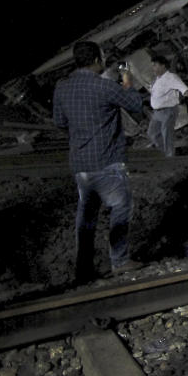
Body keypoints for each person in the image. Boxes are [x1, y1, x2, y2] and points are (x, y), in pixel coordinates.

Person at [53, 41, 145, 282]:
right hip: (108, 160)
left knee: (87, 217)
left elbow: (60, 122)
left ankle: (83, 269)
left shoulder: (62, 88)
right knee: (120, 209)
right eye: (102, 57)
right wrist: (127, 79)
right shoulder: (104, 87)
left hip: (80, 165)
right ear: (96, 59)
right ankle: (120, 261)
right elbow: (136, 104)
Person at [147, 54, 188, 157]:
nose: (153, 68)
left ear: (163, 66)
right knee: (152, 134)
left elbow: (182, 88)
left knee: (167, 135)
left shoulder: (171, 77)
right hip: (157, 113)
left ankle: (170, 157)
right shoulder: (157, 79)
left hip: (168, 111)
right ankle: (166, 153)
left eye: (155, 65)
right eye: (153, 65)